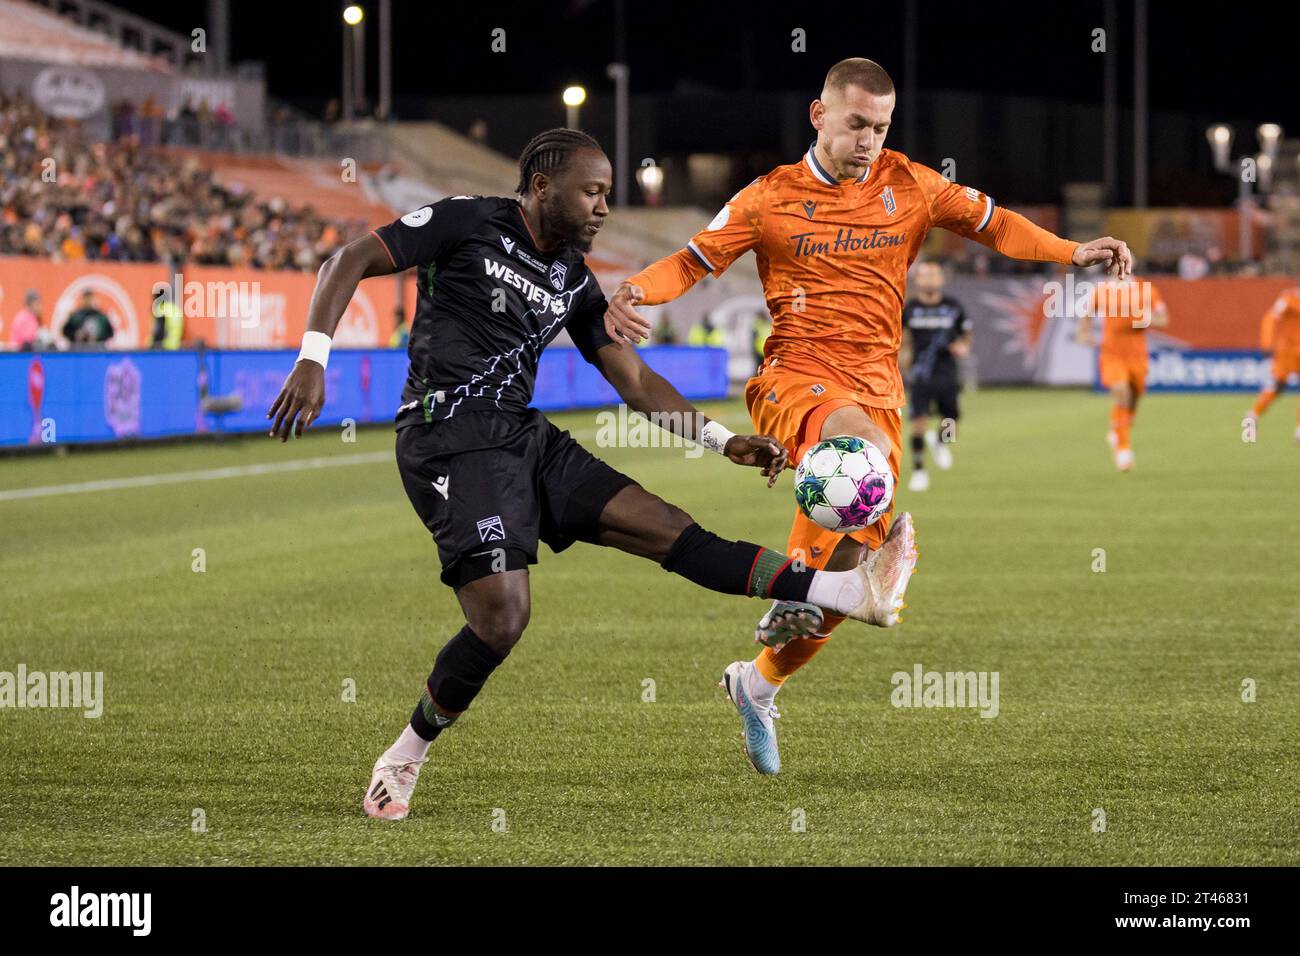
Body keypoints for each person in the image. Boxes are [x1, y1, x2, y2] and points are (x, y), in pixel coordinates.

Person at [266, 129, 906, 821]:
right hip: (447, 439)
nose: (603, 206)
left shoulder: (571, 275)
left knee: (668, 529)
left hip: (522, 436)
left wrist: (722, 440)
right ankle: (405, 755)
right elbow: (349, 258)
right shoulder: (470, 218)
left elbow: (629, 376)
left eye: (608, 193)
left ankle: (845, 588)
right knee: (503, 619)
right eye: (592, 191)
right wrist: (312, 358)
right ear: (543, 185)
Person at [604, 57, 1133, 775]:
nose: (869, 141)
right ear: (819, 116)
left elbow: (996, 223)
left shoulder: (910, 184)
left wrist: (1073, 251)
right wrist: (634, 289)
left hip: (879, 387)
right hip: (798, 379)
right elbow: (694, 261)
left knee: (847, 581)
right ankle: (810, 581)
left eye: (881, 128)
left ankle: (757, 682)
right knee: (861, 456)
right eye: (857, 124)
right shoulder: (768, 198)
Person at [1076, 273, 1167, 470]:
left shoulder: (1146, 290)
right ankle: (1123, 450)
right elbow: (1086, 316)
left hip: (1137, 355)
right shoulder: (1102, 291)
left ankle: (1117, 429)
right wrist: (1084, 334)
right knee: (1122, 392)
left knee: (1134, 398)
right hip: (1112, 354)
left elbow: (1163, 319)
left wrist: (1144, 319)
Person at [900, 261, 970, 491]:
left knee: (951, 422)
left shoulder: (953, 307)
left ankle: (940, 442)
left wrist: (962, 346)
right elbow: (903, 338)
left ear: (941, 279)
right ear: (917, 280)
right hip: (921, 373)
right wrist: (903, 358)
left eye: (934, 275)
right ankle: (919, 471)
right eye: (925, 275)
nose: (930, 279)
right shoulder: (909, 309)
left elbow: (966, 335)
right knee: (918, 424)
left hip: (947, 372)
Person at [1245, 282, 1300, 442]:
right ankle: (1252, 415)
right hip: (1288, 351)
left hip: (1290, 351)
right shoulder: (1289, 298)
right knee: (1278, 386)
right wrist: (1267, 343)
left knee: (1278, 385)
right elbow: (1271, 318)